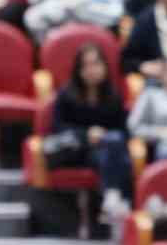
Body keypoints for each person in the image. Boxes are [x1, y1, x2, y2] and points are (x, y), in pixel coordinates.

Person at [51, 43, 133, 222]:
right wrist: (86, 134)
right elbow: (57, 128)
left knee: (115, 144)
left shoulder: (113, 95)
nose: (92, 70)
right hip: (77, 150)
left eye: (96, 64)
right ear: (79, 70)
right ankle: (117, 201)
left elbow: (125, 130)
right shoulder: (66, 94)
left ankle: (111, 201)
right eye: (86, 65)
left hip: (106, 151)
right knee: (118, 154)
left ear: (104, 67)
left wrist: (105, 137)